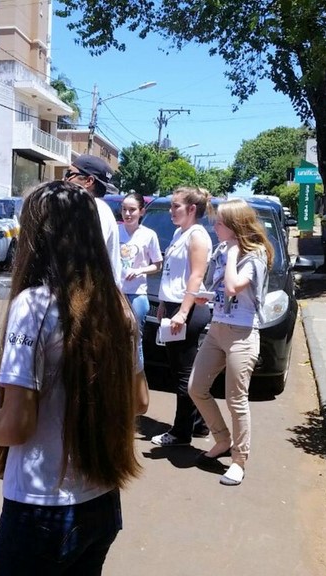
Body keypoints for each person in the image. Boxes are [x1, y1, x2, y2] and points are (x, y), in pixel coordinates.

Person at [0, 180, 148, 576]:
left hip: (41, 510)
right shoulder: (117, 304)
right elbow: (140, 401)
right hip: (101, 502)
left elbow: (16, 424)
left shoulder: (35, 305)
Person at [187, 198, 273, 486]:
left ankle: (239, 459)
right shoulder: (223, 250)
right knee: (196, 387)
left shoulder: (254, 254)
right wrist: (206, 298)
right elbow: (222, 290)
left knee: (236, 399)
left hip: (243, 333)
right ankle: (222, 439)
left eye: (220, 223)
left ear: (235, 226)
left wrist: (235, 251)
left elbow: (235, 286)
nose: (215, 227)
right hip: (218, 328)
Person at [151, 187, 213, 447]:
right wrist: (165, 303)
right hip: (175, 306)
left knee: (184, 376)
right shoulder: (180, 233)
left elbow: (196, 277)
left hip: (188, 309)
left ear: (191, 209)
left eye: (175, 206)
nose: (170, 211)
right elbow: (172, 273)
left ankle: (180, 432)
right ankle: (198, 425)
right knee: (179, 370)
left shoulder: (197, 236)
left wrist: (183, 312)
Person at [119, 192, 163, 373]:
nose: (127, 214)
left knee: (135, 340)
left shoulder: (148, 235)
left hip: (137, 293)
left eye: (132, 210)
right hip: (116, 293)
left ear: (141, 211)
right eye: (124, 210)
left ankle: (135, 383)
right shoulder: (115, 231)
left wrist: (140, 271)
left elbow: (157, 265)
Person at [64, 154, 122, 286]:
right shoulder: (91, 208)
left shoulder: (95, 209)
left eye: (69, 173)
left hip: (92, 297)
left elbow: (84, 258)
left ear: (89, 181)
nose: (64, 178)